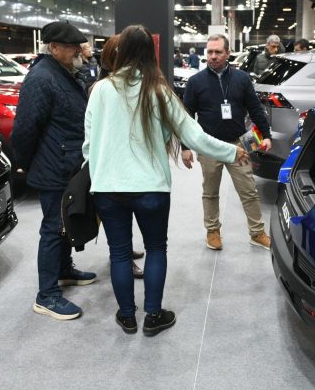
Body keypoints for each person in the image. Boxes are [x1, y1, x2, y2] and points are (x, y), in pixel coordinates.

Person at [84, 24, 249, 336]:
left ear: (121, 51)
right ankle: (153, 316)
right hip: (151, 187)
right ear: (151, 53)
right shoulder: (159, 91)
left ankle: (127, 317)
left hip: (107, 188)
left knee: (119, 253)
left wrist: (98, 173)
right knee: (156, 248)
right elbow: (195, 136)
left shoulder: (100, 90)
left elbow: (88, 145)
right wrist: (231, 152)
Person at [11, 20, 97, 321]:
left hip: (67, 163)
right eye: (73, 47)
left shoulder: (63, 72)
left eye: (79, 46)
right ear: (54, 47)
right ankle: (46, 295)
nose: (79, 51)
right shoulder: (41, 78)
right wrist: (24, 161)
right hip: (54, 166)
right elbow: (25, 128)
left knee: (65, 224)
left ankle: (63, 270)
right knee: (53, 227)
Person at [182, 33, 273, 252]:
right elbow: (186, 116)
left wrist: (266, 134)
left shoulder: (242, 79)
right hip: (209, 146)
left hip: (238, 146)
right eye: (210, 52)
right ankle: (212, 231)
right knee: (210, 192)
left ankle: (257, 233)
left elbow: (255, 108)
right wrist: (185, 147)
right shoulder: (195, 82)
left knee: (249, 191)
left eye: (218, 52)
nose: (213, 56)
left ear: (228, 53)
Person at [96, 34, 146, 280]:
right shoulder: (104, 87)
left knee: (124, 214)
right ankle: (123, 257)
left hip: (125, 163)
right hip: (110, 166)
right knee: (117, 217)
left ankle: (124, 252)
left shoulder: (128, 83)